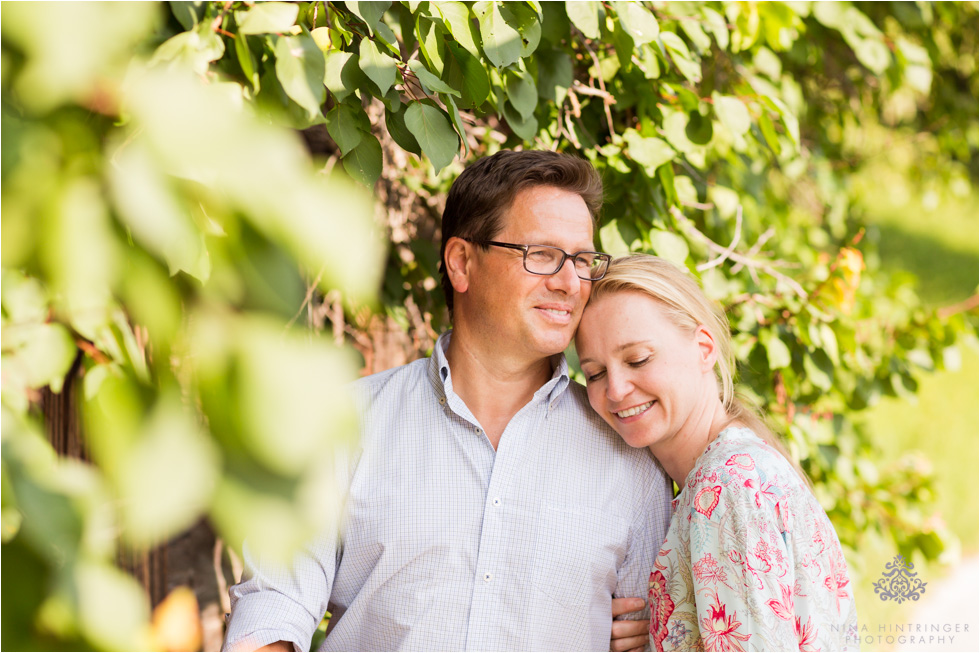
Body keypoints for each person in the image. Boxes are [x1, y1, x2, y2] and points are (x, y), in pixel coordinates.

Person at [223, 151, 673, 652]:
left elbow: (654, 629)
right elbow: (273, 610)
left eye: (583, 260)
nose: (570, 283)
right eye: (542, 254)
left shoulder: (631, 456)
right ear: (462, 262)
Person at [575, 254, 859, 652]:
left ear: (704, 348)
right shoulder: (729, 472)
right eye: (595, 373)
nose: (616, 389)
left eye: (637, 359)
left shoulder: (725, 489)